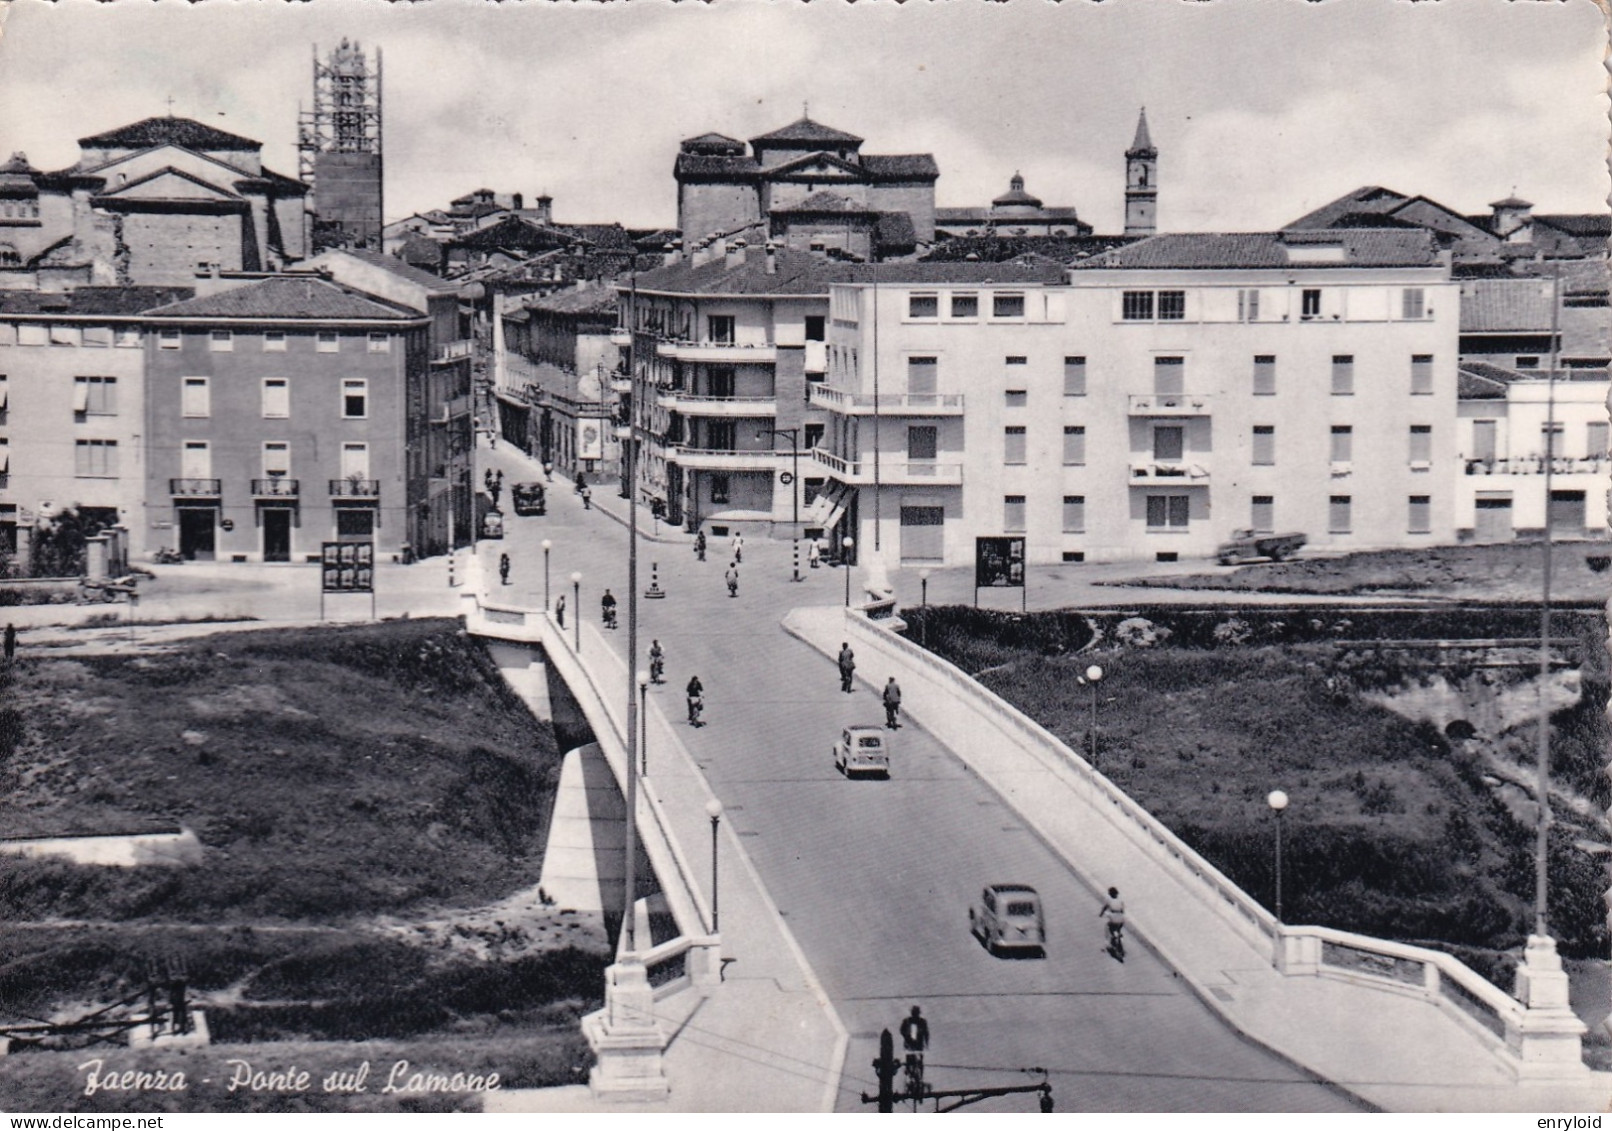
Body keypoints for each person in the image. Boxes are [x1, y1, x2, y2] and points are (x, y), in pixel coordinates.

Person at [1099, 887, 1126, 952]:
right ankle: (1119, 937)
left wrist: (1101, 914)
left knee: (1108, 927)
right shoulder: (1121, 900)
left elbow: (1105, 908)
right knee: (1119, 928)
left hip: (1113, 917)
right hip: (1121, 918)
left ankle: (1106, 945)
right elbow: (1122, 910)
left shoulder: (1109, 900)